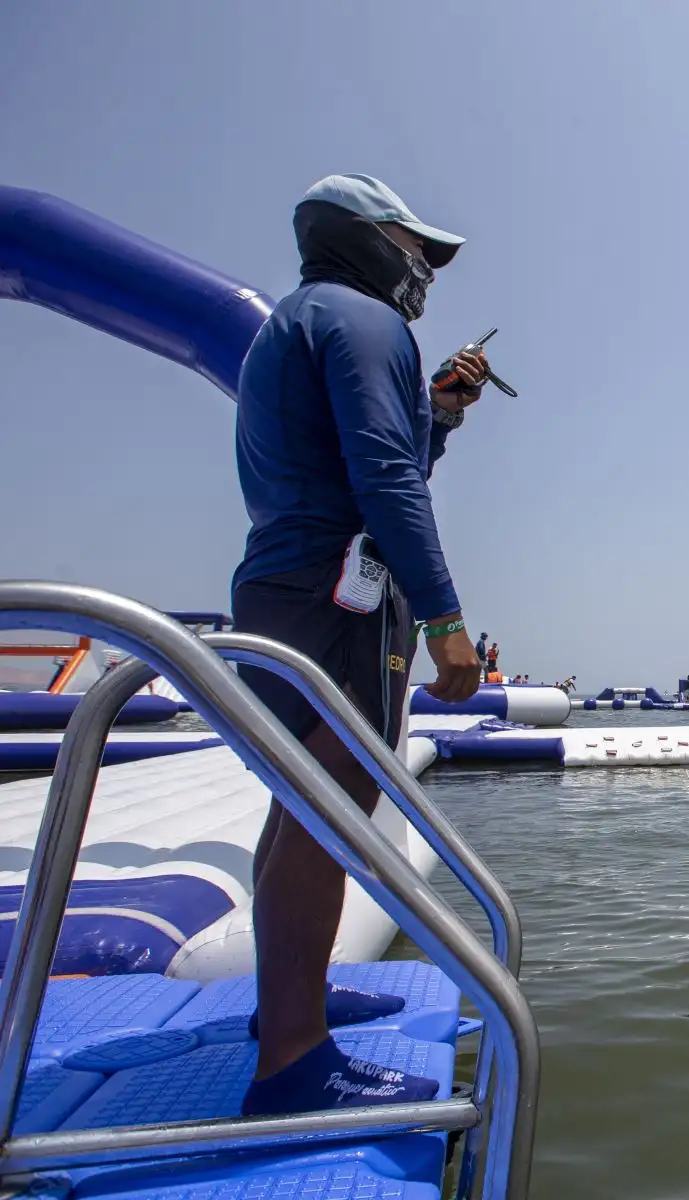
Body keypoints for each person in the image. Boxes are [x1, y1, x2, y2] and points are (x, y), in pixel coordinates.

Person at [231, 174, 489, 1116]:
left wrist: (440, 413)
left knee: (299, 803)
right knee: (332, 806)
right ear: (367, 237)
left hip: (286, 586)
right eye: (419, 247)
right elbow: (385, 477)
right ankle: (295, 1059)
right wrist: (445, 619)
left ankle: (289, 1000)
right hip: (339, 596)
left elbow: (372, 457)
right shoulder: (370, 322)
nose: (427, 268)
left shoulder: (302, 319)